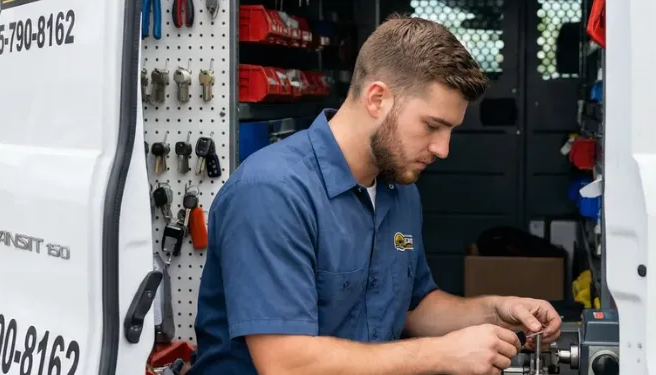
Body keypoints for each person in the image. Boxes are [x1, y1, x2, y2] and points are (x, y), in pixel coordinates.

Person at [187, 14, 562, 375]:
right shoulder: (272, 192)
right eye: (432, 126)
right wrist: (442, 354)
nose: (443, 149)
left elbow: (413, 307)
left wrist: (498, 311)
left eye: (450, 130)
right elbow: (286, 363)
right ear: (377, 98)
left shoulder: (398, 186)